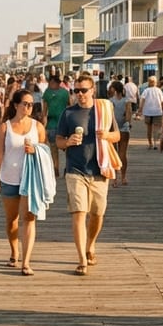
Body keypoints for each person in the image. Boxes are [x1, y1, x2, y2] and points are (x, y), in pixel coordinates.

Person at [56, 73, 121, 276]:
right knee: (78, 213)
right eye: (76, 91)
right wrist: (67, 143)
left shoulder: (104, 110)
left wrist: (107, 135)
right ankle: (82, 259)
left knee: (97, 214)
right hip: (75, 170)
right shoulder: (68, 114)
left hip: (99, 169)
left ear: (93, 90)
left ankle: (90, 244)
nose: (80, 94)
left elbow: (117, 135)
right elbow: (58, 140)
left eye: (83, 90)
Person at [0, 88, 51, 276]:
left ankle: (26, 262)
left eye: (32, 104)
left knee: (29, 219)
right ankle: (14, 251)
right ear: (16, 105)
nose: (29, 107)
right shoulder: (5, 127)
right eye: (25, 104)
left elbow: (46, 151)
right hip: (9, 178)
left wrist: (36, 151)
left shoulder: (37, 127)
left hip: (30, 180)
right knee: (12, 220)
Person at [42, 75, 71, 177]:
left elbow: (44, 111)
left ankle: (62, 167)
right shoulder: (49, 92)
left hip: (60, 123)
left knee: (61, 147)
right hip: (54, 123)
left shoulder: (61, 92)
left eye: (51, 83)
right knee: (57, 147)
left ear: (57, 83)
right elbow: (44, 111)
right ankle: (57, 168)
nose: (50, 85)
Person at [106, 80, 132, 187]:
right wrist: (127, 122)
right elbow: (129, 115)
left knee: (113, 154)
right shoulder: (127, 101)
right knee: (122, 154)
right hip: (124, 128)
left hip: (112, 128)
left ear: (114, 89)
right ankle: (124, 177)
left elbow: (108, 116)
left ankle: (115, 179)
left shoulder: (110, 101)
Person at [139, 76, 163, 149]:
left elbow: (142, 100)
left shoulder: (146, 91)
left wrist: (140, 110)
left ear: (149, 82)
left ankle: (150, 143)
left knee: (149, 129)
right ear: (156, 82)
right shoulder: (159, 91)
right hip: (157, 111)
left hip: (148, 112)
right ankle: (155, 144)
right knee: (156, 128)